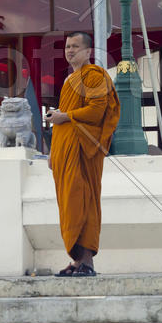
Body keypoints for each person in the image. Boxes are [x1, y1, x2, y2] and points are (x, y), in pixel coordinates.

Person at [47, 31, 120, 277]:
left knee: (84, 200)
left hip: (84, 151)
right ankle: (78, 261)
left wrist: (64, 116)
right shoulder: (70, 81)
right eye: (68, 46)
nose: (70, 51)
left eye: (76, 47)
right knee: (69, 204)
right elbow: (66, 117)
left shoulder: (94, 75)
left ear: (88, 51)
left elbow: (97, 111)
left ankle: (87, 260)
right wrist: (53, 152)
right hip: (65, 151)